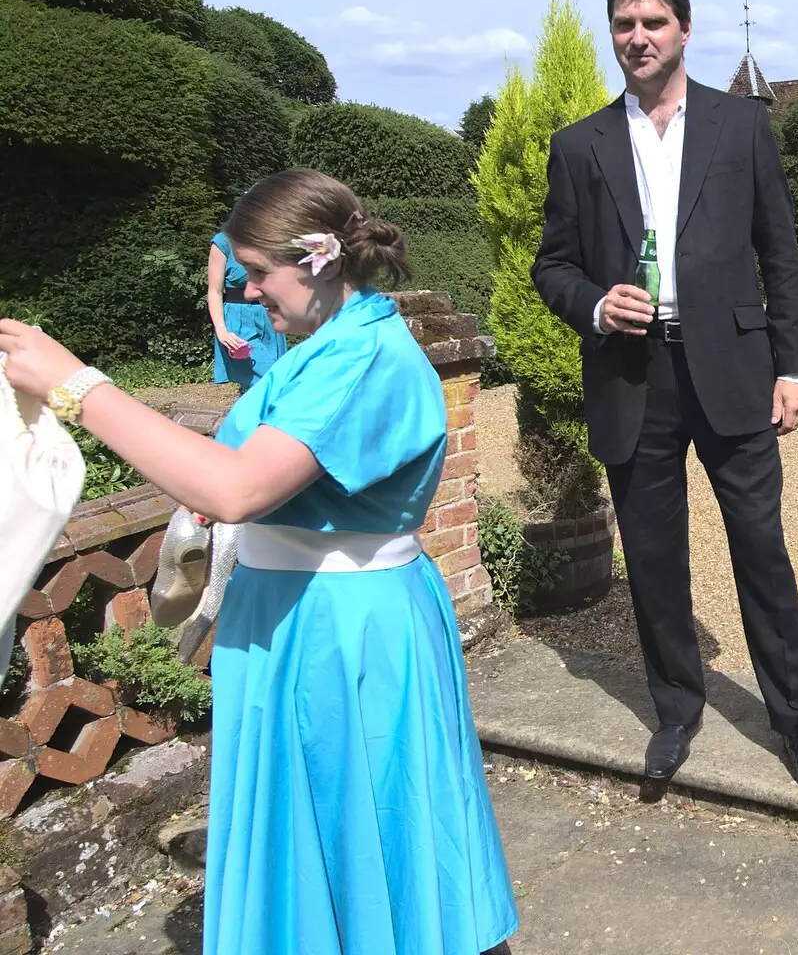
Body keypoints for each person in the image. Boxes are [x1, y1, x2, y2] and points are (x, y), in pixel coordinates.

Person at [0, 168, 518, 955]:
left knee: (356, 823)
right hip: (287, 614)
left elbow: (240, 488)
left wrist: (80, 388)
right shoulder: (323, 348)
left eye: (256, 272)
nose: (245, 291)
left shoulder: (364, 358)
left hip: (343, 627)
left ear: (317, 260)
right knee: (308, 823)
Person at [531, 0, 798, 800]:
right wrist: (596, 305)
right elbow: (551, 266)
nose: (638, 38)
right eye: (625, 24)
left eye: (653, 22)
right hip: (634, 377)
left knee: (762, 554)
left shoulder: (740, 127)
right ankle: (675, 711)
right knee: (655, 559)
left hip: (735, 372)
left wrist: (796, 368)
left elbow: (781, 253)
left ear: (684, 30)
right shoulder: (579, 146)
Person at [207, 229, 287, 391]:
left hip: (270, 317)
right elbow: (214, 292)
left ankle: (250, 415)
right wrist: (221, 330)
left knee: (265, 384)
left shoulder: (272, 238)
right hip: (238, 322)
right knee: (271, 381)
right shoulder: (223, 242)